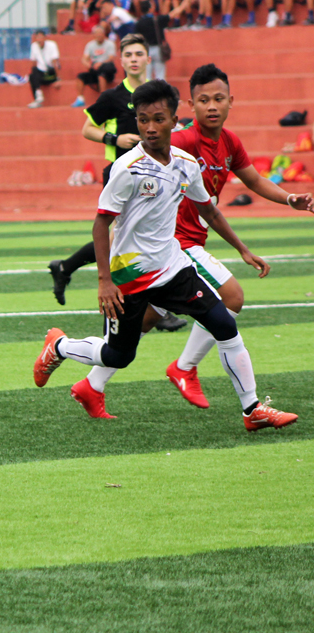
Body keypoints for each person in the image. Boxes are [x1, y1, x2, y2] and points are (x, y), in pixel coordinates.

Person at [33, 79, 297, 431]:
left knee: (224, 325)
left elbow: (210, 211)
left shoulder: (187, 164)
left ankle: (252, 409)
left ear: (175, 119)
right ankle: (60, 345)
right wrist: (104, 281)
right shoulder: (127, 169)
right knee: (118, 355)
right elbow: (101, 225)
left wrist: (243, 250)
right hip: (130, 276)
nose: (150, 128)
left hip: (173, 268)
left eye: (158, 119)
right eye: (143, 120)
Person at [163, 64, 314, 406]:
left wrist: (290, 199)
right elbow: (151, 148)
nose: (212, 106)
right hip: (173, 243)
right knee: (232, 297)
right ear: (191, 106)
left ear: (232, 101)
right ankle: (186, 369)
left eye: (218, 99)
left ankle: (77, 366)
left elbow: (255, 181)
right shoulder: (185, 139)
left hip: (190, 242)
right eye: (204, 100)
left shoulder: (229, 142)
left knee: (139, 324)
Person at [49, 35, 185, 332]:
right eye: (129, 55)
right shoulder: (112, 97)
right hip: (121, 176)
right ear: (121, 61)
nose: (134, 59)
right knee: (125, 239)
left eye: (139, 53)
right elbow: (87, 128)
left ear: (149, 59)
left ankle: (66, 268)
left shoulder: (160, 94)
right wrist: (114, 139)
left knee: (132, 237)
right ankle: (135, 308)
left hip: (154, 175)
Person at [72, 23, 117, 108]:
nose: (99, 35)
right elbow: (84, 58)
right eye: (97, 33)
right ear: (94, 35)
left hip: (107, 69)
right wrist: (87, 64)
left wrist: (101, 63)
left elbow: (111, 58)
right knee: (80, 76)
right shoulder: (90, 45)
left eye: (101, 33)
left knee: (102, 74)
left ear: (104, 34)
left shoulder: (110, 44)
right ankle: (80, 98)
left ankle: (103, 99)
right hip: (95, 69)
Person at [27, 30, 59, 109]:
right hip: (41, 75)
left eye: (41, 37)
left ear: (45, 38)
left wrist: (58, 79)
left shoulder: (52, 45)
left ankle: (38, 96)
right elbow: (33, 62)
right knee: (32, 75)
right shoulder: (34, 46)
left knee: (35, 74)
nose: (40, 39)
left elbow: (55, 62)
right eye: (38, 37)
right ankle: (38, 96)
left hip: (50, 74)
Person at [134, 12, 168, 81]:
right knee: (160, 74)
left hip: (145, 49)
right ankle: (160, 90)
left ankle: (148, 91)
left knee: (147, 76)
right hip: (157, 48)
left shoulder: (139, 23)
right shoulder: (156, 20)